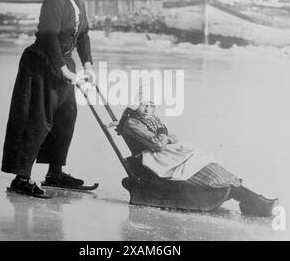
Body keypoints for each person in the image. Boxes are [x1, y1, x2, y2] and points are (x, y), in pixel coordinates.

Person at [1, 0, 98, 198]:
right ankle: (21, 178)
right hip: (41, 63)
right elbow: (48, 37)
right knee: (37, 119)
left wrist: (87, 63)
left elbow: (83, 34)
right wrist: (63, 69)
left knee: (66, 116)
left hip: (63, 61)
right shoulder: (54, 1)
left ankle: (55, 172)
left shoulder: (79, 1)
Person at [116, 91, 278, 217]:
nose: (147, 110)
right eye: (144, 105)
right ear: (136, 104)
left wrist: (165, 136)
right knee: (203, 171)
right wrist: (163, 133)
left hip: (165, 154)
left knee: (210, 167)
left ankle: (255, 201)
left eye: (152, 106)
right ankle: (254, 202)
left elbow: (170, 138)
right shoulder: (132, 123)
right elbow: (157, 143)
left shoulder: (152, 120)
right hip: (152, 159)